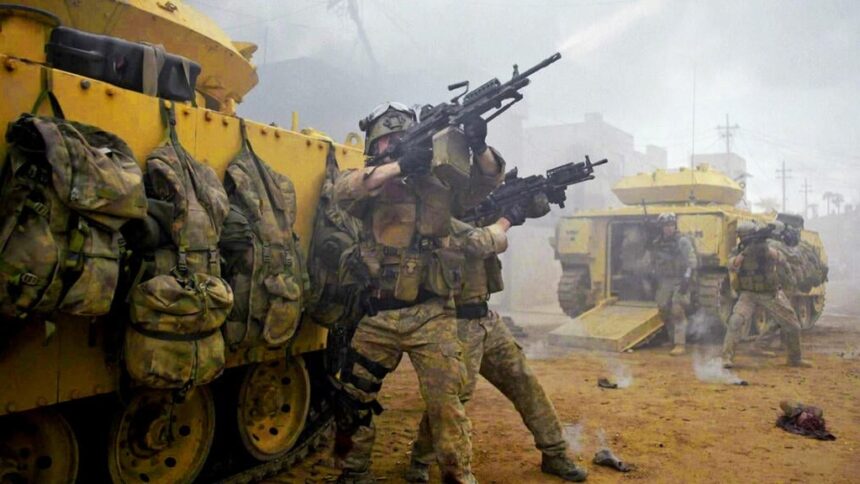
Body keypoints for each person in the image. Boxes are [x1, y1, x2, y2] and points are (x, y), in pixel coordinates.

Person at [331, 103, 505, 484]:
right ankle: (353, 472)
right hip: (378, 314)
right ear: (374, 147)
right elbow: (343, 190)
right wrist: (399, 165)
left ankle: (457, 475)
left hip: (431, 315)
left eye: (401, 137)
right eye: (387, 140)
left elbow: (486, 183)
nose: (393, 143)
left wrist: (479, 146)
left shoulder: (439, 183)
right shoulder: (371, 184)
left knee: (447, 403)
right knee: (352, 398)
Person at [404, 203, 589, 482]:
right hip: (455, 323)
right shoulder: (439, 217)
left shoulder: (478, 211)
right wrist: (506, 218)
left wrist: (531, 201)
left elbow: (531, 210)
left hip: (486, 318)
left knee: (524, 382)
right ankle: (421, 458)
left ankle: (555, 452)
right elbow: (479, 243)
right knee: (453, 399)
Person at [721, 221, 811, 369]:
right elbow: (732, 264)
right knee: (735, 321)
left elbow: (783, 258)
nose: (742, 239)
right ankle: (726, 358)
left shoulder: (767, 247)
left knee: (793, 325)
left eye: (744, 236)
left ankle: (795, 358)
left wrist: (770, 252)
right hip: (748, 294)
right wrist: (744, 254)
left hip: (770, 293)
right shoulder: (738, 250)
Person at [651, 212, 697, 356]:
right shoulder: (657, 243)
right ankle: (672, 338)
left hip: (680, 278)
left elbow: (692, 261)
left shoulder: (682, 241)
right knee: (663, 308)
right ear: (661, 227)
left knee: (677, 309)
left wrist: (687, 278)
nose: (669, 228)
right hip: (665, 280)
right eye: (666, 225)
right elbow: (654, 261)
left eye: (671, 225)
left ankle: (680, 343)